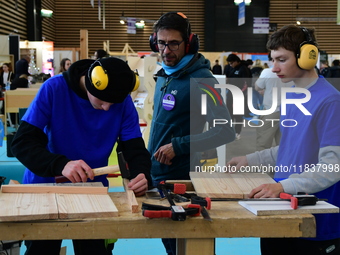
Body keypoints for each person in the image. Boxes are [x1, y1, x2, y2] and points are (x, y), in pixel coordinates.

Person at [11, 57, 152, 255]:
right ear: (91, 81)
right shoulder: (54, 89)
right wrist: (60, 165)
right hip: (46, 187)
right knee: (41, 251)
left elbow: (134, 147)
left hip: (94, 191)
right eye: (103, 101)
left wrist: (140, 173)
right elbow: (22, 143)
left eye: (113, 103)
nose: (107, 108)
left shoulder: (121, 98)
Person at [227, 25, 340, 255]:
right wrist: (250, 159)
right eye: (272, 60)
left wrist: (281, 186)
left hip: (315, 221)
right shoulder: (293, 97)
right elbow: (290, 148)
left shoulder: (330, 101)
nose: (274, 68)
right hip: (281, 210)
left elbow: (332, 166)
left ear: (307, 57)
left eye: (281, 59)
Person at [148, 12, 235, 255]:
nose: (166, 50)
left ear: (189, 43)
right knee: (171, 246)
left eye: (174, 43)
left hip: (184, 181)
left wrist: (178, 145)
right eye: (162, 43)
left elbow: (225, 131)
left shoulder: (203, 80)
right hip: (159, 177)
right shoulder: (165, 74)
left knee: (191, 248)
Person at [254, 53, 293, 163]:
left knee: (263, 143)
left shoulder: (267, 72)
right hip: (289, 112)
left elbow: (258, 87)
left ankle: (265, 173)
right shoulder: (292, 73)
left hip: (270, 112)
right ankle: (282, 170)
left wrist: (266, 90)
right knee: (283, 144)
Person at [225, 53, 252, 140]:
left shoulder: (244, 69)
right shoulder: (231, 68)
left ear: (237, 61)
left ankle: (237, 132)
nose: (230, 65)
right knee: (229, 114)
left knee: (238, 115)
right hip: (230, 93)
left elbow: (246, 84)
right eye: (229, 63)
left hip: (239, 95)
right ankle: (230, 131)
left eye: (232, 63)